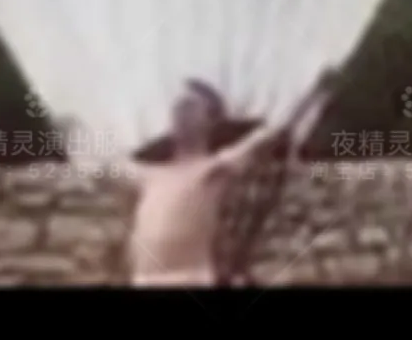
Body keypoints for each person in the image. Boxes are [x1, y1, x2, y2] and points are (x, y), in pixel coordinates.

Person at [121, 70, 337, 287]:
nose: (183, 117)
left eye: (191, 111)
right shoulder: (150, 175)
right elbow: (109, 163)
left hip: (189, 278)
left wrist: (312, 96)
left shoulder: (212, 169)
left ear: (207, 123)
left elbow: (270, 134)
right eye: (179, 111)